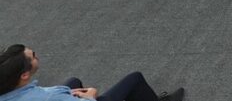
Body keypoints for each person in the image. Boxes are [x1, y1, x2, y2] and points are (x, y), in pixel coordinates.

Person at [0, 43, 184, 101]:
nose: (36, 56)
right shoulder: (49, 97)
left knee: (73, 82)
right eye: (33, 56)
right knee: (134, 79)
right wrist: (90, 95)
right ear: (24, 75)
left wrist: (66, 93)